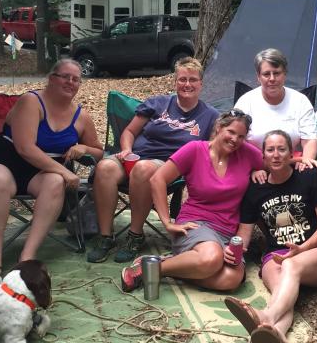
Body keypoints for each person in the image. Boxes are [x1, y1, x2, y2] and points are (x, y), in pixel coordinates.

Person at [0, 59, 104, 285]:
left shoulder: (81, 117)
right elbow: (25, 148)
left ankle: (26, 260)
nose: (70, 82)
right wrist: (65, 172)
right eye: (65, 76)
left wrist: (83, 147)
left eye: (76, 79)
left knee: (54, 182)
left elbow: (99, 152)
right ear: (51, 78)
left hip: (40, 172)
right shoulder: (31, 101)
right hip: (5, 159)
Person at [87, 57, 219, 263]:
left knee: (143, 168)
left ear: (201, 84)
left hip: (170, 165)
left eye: (193, 80)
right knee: (104, 168)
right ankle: (106, 236)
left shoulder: (210, 116)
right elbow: (129, 131)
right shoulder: (157, 103)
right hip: (135, 156)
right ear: (175, 82)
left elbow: (210, 150)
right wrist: (126, 150)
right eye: (182, 79)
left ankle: (135, 236)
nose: (187, 84)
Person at [120, 109, 264, 292]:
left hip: (227, 231)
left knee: (230, 280)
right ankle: (148, 269)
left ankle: (168, 267)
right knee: (211, 259)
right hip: (196, 223)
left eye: (241, 136)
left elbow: (278, 162)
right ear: (219, 127)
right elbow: (157, 179)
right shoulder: (195, 150)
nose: (235, 140)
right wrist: (167, 222)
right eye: (231, 132)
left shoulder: (247, 153)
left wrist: (263, 169)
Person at [224, 130, 317, 343]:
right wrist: (233, 249)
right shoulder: (256, 189)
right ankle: (277, 333)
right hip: (275, 255)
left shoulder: (308, 177)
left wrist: (301, 249)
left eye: (282, 149)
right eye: (271, 150)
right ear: (263, 156)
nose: (276, 155)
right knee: (283, 292)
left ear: (290, 154)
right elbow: (244, 232)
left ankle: (266, 316)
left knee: (290, 266)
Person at [234, 48, 317, 170]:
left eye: (277, 73)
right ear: (258, 77)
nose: (272, 78)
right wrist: (253, 168)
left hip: (291, 166)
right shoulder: (245, 102)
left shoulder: (301, 101)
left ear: (285, 74)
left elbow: (309, 140)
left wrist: (305, 162)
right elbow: (235, 141)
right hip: (254, 167)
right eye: (266, 74)